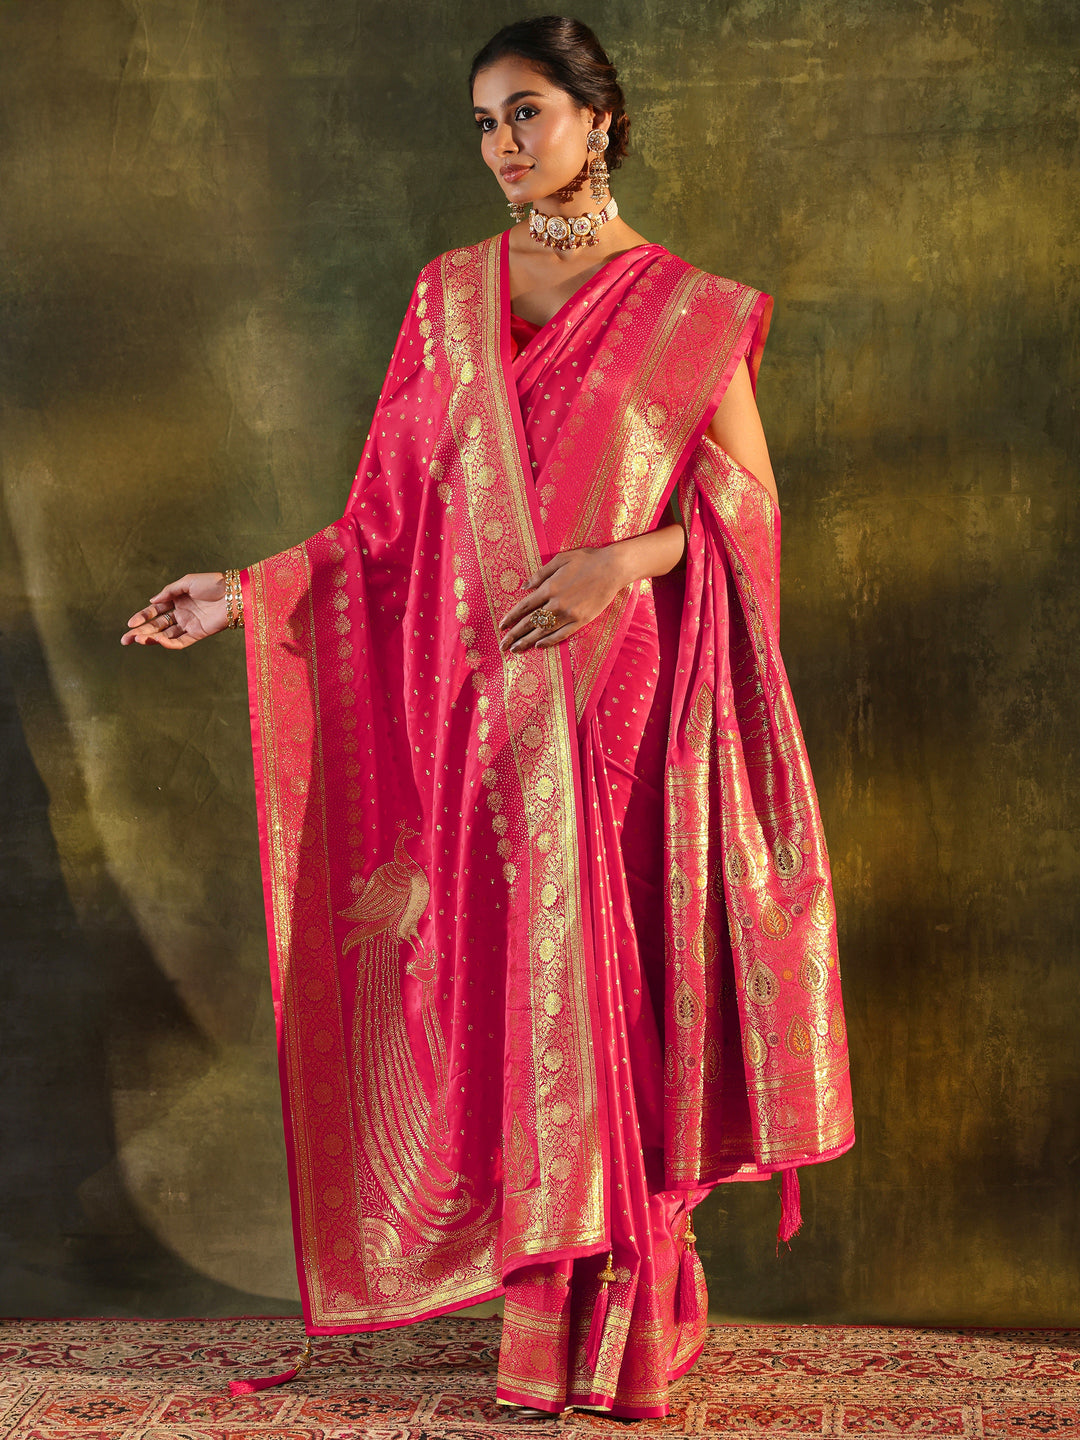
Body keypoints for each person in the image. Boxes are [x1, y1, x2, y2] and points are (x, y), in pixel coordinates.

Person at [122, 16, 854, 1420]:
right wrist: (242, 591)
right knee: (517, 981)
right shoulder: (446, 297)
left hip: (620, 679)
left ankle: (631, 1314)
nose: (504, 146)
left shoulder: (687, 308)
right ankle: (545, 1311)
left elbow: (742, 513)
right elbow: (390, 522)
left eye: (527, 113)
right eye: (483, 123)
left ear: (600, 121)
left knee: (612, 981)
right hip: (478, 704)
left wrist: (607, 569)